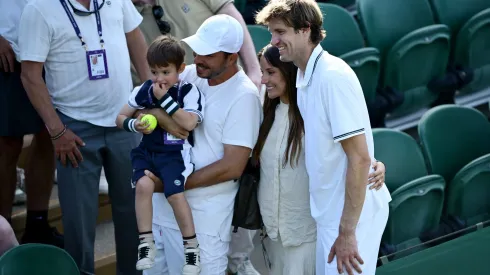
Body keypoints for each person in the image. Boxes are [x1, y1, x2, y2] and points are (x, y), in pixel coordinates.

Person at [256, 1, 392, 275]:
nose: (274, 41)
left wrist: (346, 232)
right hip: (332, 216)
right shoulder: (305, 76)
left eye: (280, 32)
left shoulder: (332, 77)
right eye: (272, 33)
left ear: (305, 30)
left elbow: (359, 157)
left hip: (350, 218)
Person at [18, 0, 151, 273]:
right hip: (73, 129)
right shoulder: (39, 8)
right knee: (78, 222)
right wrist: (57, 131)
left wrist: (149, 96)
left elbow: (136, 40)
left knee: (135, 214)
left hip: (124, 121)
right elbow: (30, 75)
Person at [141, 14, 262, 275]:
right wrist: (164, 118)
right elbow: (140, 107)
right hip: (162, 212)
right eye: (197, 51)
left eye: (208, 54)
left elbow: (231, 167)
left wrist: (171, 184)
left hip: (204, 220)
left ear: (232, 57)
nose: (198, 59)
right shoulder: (191, 74)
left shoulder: (245, 97)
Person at [116, 35, 204, 273]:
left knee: (175, 195)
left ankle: (192, 248)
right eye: (154, 72)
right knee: (142, 186)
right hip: (147, 151)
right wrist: (136, 125)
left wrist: (163, 100)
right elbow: (120, 117)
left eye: (166, 72)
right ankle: (146, 243)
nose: (159, 78)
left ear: (180, 69)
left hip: (174, 155)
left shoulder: (188, 91)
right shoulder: (144, 89)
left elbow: (188, 123)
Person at [0, 0, 62, 247]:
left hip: (50, 41)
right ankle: (3, 229)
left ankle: (37, 224)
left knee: (49, 133)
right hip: (7, 49)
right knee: (8, 143)